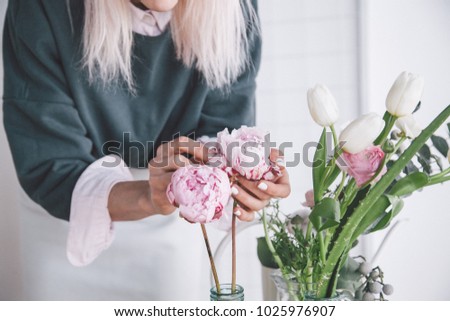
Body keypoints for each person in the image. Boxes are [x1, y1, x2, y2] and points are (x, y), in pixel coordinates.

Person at [2, 0, 290, 300]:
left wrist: (242, 180)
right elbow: (51, 160)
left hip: (173, 224)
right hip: (66, 223)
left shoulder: (233, 8)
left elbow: (222, 131)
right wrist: (150, 194)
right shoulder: (43, 7)